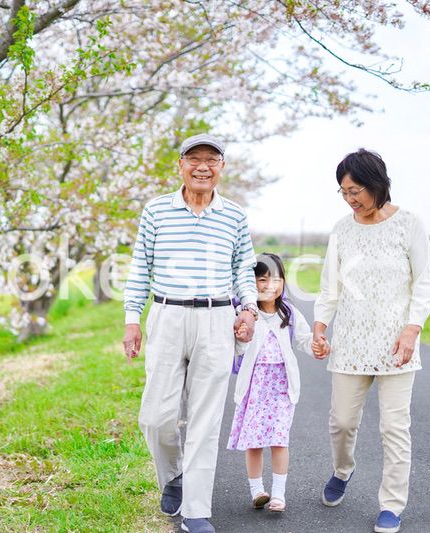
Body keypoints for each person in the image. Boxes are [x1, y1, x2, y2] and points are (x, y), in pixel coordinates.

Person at [122, 133, 259, 533]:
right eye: (194, 159)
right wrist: (132, 318)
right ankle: (174, 477)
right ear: (180, 165)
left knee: (205, 418)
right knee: (155, 416)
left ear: (221, 167)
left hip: (217, 320)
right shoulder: (156, 211)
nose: (203, 166)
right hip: (167, 316)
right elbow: (137, 269)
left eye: (211, 159)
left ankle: (196, 511)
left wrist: (248, 310)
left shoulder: (234, 215)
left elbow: (243, 270)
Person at [313, 149, 430, 533]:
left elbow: (424, 283)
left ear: (378, 185)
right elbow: (330, 285)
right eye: (344, 192)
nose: (351, 199)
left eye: (356, 190)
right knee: (342, 422)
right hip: (350, 342)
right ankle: (342, 470)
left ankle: (391, 505)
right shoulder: (341, 229)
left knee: (394, 429)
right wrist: (320, 324)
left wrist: (413, 328)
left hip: (397, 346)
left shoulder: (409, 225)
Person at [228, 253, 328, 513]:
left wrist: (317, 345)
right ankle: (257, 491)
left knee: (279, 439)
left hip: (281, 387)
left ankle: (279, 495)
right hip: (253, 387)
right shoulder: (245, 313)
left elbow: (305, 339)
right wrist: (241, 335)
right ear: (251, 283)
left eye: (276, 279)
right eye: (262, 279)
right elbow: (237, 348)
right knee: (254, 442)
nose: (270, 285)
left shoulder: (289, 312)